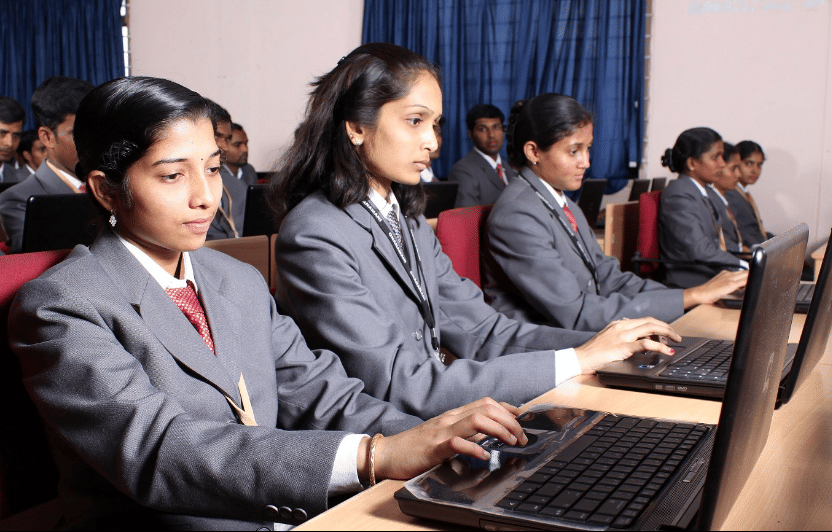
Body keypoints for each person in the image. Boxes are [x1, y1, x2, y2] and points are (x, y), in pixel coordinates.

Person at [8, 76, 529, 530]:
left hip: (285, 512)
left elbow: (322, 394)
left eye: (212, 169)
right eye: (172, 175)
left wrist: (436, 438)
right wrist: (377, 455)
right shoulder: (63, 304)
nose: (205, 197)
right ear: (105, 190)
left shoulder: (236, 279)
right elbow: (160, 451)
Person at [272, 43, 679, 420]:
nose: (432, 142)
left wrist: (598, 347)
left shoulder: (406, 219)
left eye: (435, 124)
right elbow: (398, 382)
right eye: (415, 121)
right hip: (387, 436)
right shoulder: (315, 233)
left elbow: (484, 330)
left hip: (438, 415)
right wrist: (576, 359)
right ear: (356, 127)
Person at [482, 94, 747, 332]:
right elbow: (575, 313)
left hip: (587, 327)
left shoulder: (563, 203)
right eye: (574, 151)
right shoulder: (518, 214)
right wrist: (690, 297)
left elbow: (609, 278)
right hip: (554, 343)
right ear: (533, 152)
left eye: (588, 149)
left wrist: (687, 297)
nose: (586, 162)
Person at [0, 76, 94, 253]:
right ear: (47, 137)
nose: (92, 142)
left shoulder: (112, 185)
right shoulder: (18, 200)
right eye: (78, 133)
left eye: (95, 130)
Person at [658, 127, 749, 289]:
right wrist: (745, 266)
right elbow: (700, 250)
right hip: (694, 282)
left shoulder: (700, 192)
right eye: (715, 157)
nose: (722, 164)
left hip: (711, 275)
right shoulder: (679, 194)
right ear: (692, 163)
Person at [449, 103, 517, 206]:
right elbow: (467, 218)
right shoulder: (462, 171)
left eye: (496, 127)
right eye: (483, 129)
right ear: (471, 134)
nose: (491, 135)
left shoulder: (506, 167)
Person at [205, 99, 247, 239]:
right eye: (217, 136)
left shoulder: (238, 187)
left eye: (228, 139)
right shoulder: (176, 186)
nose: (225, 147)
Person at [707, 142, 748, 254]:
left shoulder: (721, 199)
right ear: (718, 167)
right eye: (734, 168)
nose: (739, 175)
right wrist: (741, 251)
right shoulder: (709, 201)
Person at [726, 140, 769, 247]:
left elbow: (756, 230)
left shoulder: (743, 193)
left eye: (759, 165)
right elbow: (742, 234)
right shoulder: (729, 194)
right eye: (748, 164)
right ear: (735, 162)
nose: (755, 170)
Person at [420, 115, 444, 182]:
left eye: (439, 133)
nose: (438, 140)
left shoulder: (433, 179)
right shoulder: (406, 183)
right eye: (433, 133)